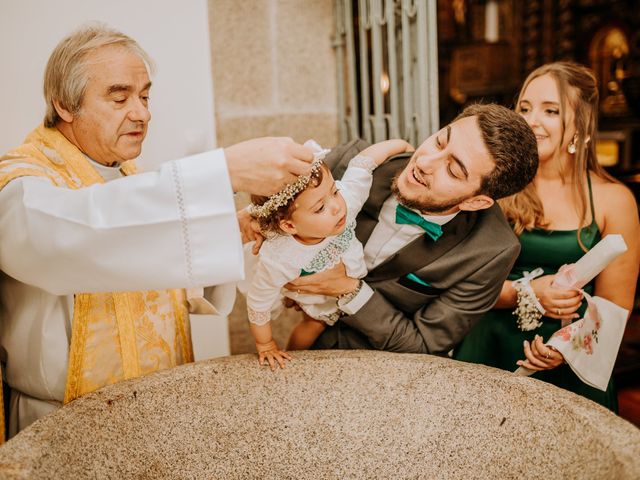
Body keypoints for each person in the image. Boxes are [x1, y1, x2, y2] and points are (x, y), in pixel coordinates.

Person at [0, 23, 314, 437]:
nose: (143, 113)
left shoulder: (130, 175)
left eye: (145, 96)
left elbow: (148, 270)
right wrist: (224, 171)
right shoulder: (20, 185)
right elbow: (83, 234)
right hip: (61, 420)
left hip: (154, 407)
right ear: (64, 104)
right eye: (120, 97)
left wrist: (227, 230)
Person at [453, 62, 640, 411]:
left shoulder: (614, 200)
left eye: (550, 110)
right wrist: (523, 293)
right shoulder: (493, 187)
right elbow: (454, 278)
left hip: (569, 361)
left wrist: (563, 349)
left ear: (580, 126)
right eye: (524, 108)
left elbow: (616, 307)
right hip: (488, 348)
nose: (530, 120)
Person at [286, 103, 540, 356]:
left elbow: (424, 344)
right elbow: (276, 207)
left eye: (452, 170)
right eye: (440, 142)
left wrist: (348, 289)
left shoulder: (490, 251)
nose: (425, 162)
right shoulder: (354, 162)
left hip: (386, 371)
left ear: (475, 202)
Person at [241, 139, 413, 369]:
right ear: (290, 226)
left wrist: (401, 146)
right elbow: (258, 303)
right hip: (307, 289)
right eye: (320, 208)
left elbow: (363, 163)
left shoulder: (346, 200)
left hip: (342, 278)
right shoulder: (281, 258)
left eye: (334, 191)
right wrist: (266, 344)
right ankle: (292, 362)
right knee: (313, 324)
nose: (336, 206)